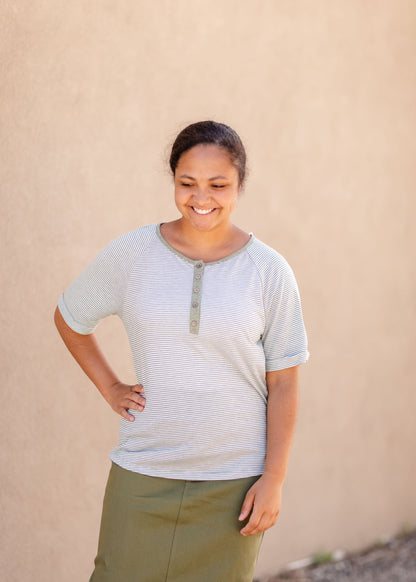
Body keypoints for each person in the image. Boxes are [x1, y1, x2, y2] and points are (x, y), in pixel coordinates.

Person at [54, 120, 309, 582]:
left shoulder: (268, 271)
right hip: (145, 469)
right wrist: (111, 387)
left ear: (239, 185)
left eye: (218, 184)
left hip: (234, 483)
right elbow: (70, 317)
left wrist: (273, 480)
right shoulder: (133, 254)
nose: (201, 197)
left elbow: (285, 381)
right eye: (187, 183)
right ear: (173, 180)